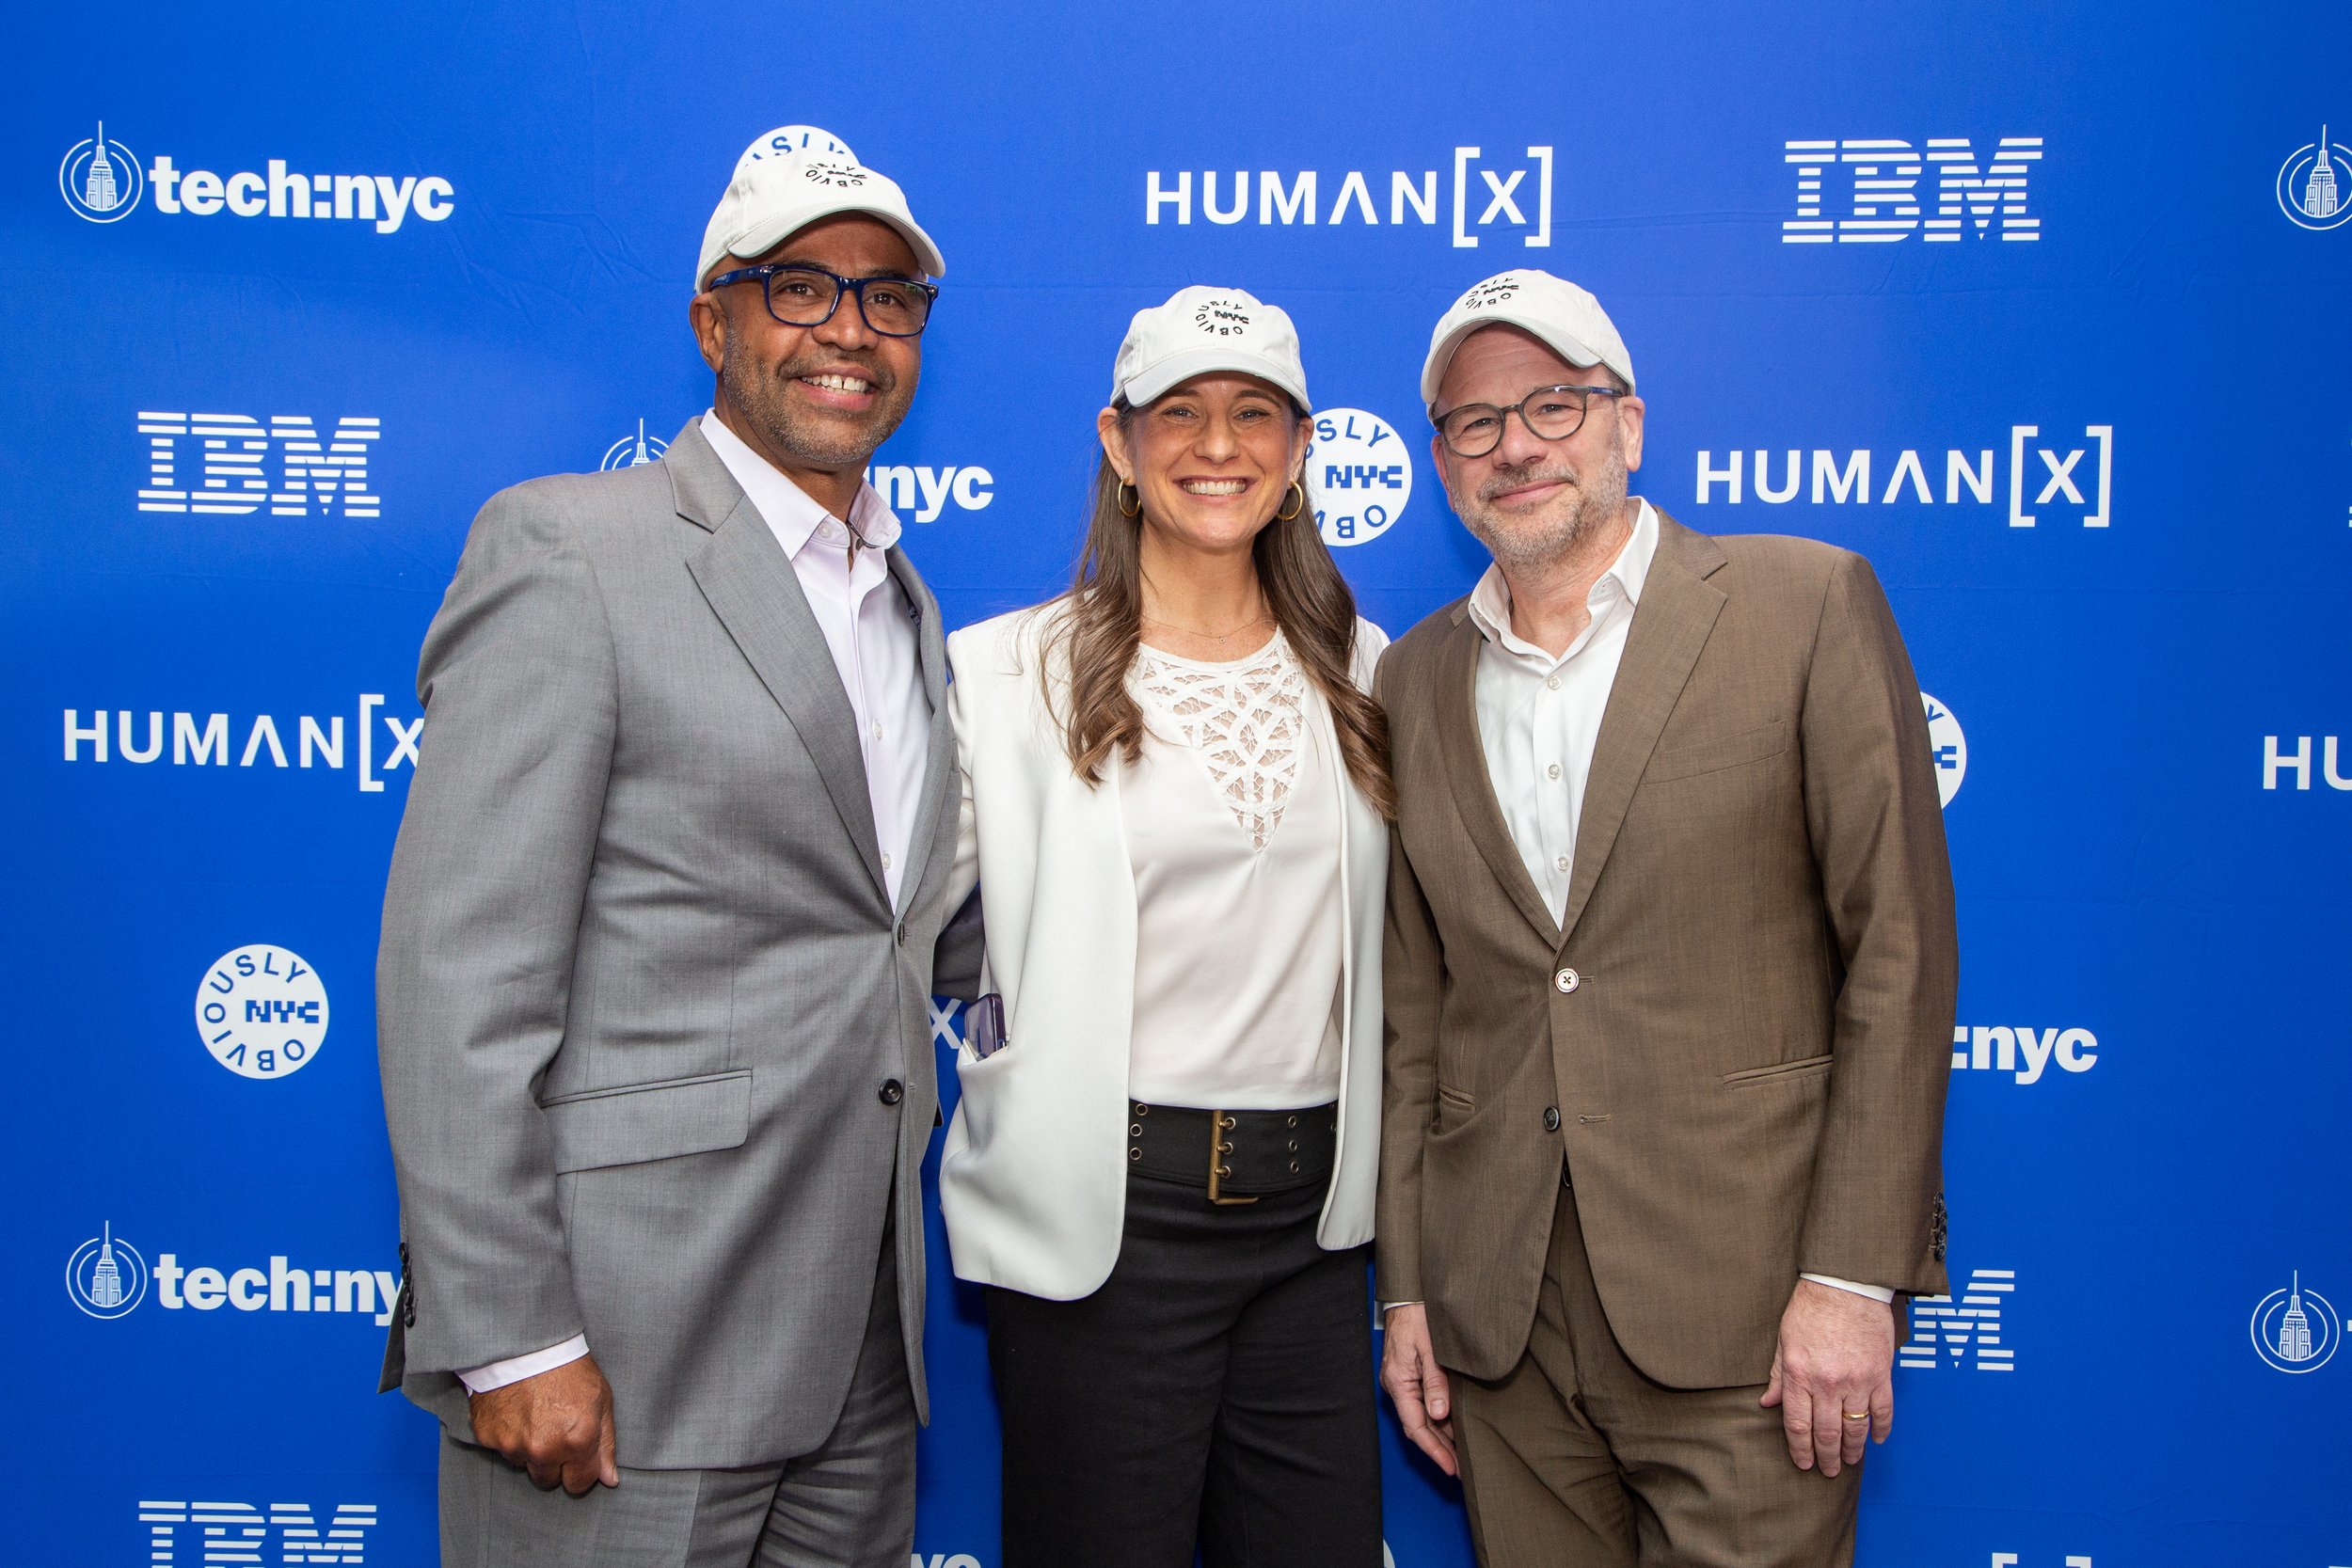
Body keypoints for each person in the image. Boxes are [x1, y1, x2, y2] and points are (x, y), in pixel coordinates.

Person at [375, 124, 975, 1568]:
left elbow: (894, 930)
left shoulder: (904, 597)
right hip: (624, 1349)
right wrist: (513, 1337)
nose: (851, 330)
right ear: (713, 323)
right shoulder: (571, 549)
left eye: (889, 296)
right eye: (801, 288)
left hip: (860, 1351)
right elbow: (460, 973)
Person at [1375, 269, 1958, 1567]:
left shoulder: (1804, 604)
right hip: (1501, 1328)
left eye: (1554, 405)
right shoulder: (1411, 677)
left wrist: (1852, 1279)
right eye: (1476, 422)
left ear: (1627, 425)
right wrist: (1409, 1287)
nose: (1515, 445)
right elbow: (1418, 1018)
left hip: (1754, 1317)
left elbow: (1900, 958)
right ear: (1443, 461)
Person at [938, 286, 1391, 1568]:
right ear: (1119, 443)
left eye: (1255, 414)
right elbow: (903, 934)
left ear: (1300, 450)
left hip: (1313, 1234)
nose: (1217, 445)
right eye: (1179, 412)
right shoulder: (1004, 676)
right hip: (1106, 1229)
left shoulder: (1368, 670)